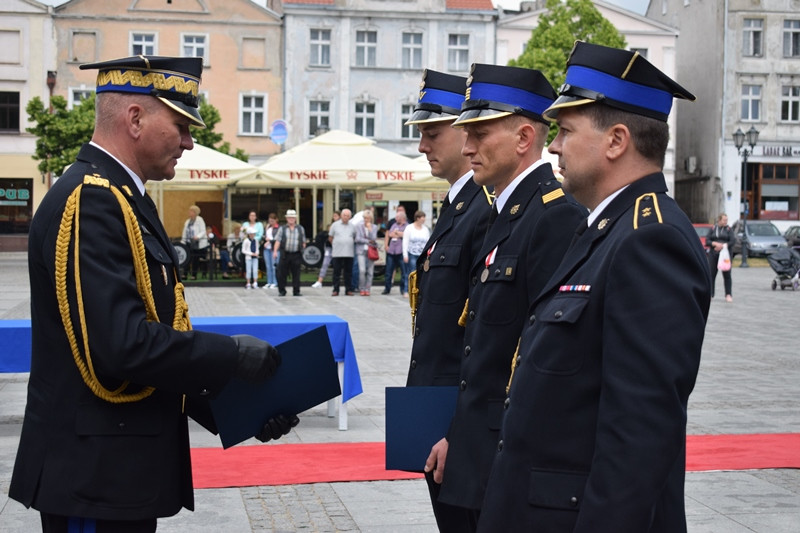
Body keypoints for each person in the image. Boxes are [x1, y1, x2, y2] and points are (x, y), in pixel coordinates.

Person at [9, 55, 298, 533]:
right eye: (181, 124)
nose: (189, 140)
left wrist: (238, 409)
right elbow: (122, 345)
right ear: (136, 118)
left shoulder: (123, 196)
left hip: (113, 471)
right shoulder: (94, 198)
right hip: (94, 476)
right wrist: (230, 356)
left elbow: (153, 343)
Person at [478, 42, 712, 532]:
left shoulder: (650, 240)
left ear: (616, 141)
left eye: (565, 131)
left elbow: (638, 435)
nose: (555, 145)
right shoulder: (604, 229)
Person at [424, 63, 587, 528]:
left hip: (505, 453)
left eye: (479, 131)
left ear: (523, 138)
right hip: (476, 443)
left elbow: (539, 356)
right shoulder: (505, 210)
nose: (467, 145)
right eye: (465, 132)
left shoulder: (552, 216)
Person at [403, 68, 493, 532]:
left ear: (467, 132)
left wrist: (457, 428)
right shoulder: (459, 206)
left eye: (432, 133)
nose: (422, 146)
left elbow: (484, 337)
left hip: (455, 419)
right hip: (433, 412)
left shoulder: (484, 209)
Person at [273, 209, 306, 297]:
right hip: (285, 254)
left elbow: (303, 241)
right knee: (281, 273)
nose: (291, 219)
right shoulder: (282, 229)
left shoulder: (300, 229)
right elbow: (278, 241)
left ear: (295, 219)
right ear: (287, 219)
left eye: (293, 217)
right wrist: (275, 251)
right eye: (289, 217)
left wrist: (302, 249)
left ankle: (296, 291)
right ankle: (282, 291)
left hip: (296, 254)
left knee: (296, 273)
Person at [402, 210, 431, 296]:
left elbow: (428, 242)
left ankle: (420, 289)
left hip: (422, 254)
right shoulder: (409, 228)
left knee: (422, 272)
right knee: (411, 272)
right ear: (418, 218)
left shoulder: (425, 229)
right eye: (422, 217)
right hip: (412, 253)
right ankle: (407, 290)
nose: (424, 219)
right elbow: (405, 241)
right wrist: (405, 254)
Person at [328, 208, 356, 296]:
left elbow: (354, 237)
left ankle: (348, 290)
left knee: (348, 273)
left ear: (350, 217)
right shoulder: (335, 225)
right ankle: (335, 290)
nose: (346, 217)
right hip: (337, 253)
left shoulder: (352, 226)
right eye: (344, 215)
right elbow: (330, 238)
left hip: (349, 253)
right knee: (336, 272)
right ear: (341, 216)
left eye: (348, 216)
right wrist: (338, 244)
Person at [707, 213, 734, 302]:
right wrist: (714, 244)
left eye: (726, 220)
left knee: (727, 275)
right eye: (724, 220)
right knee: (711, 274)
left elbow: (732, 241)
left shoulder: (729, 230)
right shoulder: (713, 229)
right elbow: (707, 241)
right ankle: (710, 294)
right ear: (719, 220)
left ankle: (728, 294)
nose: (726, 221)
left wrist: (722, 246)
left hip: (725, 255)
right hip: (713, 254)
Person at [382, 210, 408, 295]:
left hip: (401, 252)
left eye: (397, 217)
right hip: (391, 251)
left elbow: (406, 235)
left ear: (402, 218)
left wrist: (397, 233)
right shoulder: (394, 224)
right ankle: (387, 288)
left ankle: (403, 289)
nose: (395, 218)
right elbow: (390, 234)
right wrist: (399, 234)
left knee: (403, 272)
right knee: (388, 271)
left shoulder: (407, 226)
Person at [312, 210, 340, 288]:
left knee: (337, 265)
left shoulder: (342, 226)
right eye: (334, 216)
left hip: (338, 248)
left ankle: (335, 282)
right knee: (325, 263)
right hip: (329, 247)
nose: (334, 217)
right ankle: (319, 281)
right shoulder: (331, 225)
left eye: (336, 216)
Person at [354, 209, 379, 295]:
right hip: (361, 250)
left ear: (371, 219)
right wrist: (368, 241)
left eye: (368, 218)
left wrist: (370, 230)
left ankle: (367, 288)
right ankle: (361, 288)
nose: (366, 220)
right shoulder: (358, 226)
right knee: (362, 270)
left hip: (371, 251)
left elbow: (373, 239)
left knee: (370, 271)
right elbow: (357, 239)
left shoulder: (374, 227)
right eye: (365, 218)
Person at [181, 205, 208, 280]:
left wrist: (197, 237)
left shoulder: (200, 220)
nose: (189, 212)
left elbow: (203, 231)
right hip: (188, 242)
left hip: (197, 243)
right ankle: (185, 274)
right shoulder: (187, 221)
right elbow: (185, 231)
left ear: (195, 212)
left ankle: (194, 275)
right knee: (187, 258)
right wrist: (183, 241)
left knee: (195, 259)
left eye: (191, 211)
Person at [263, 212, 280, 289]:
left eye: (272, 221)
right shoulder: (268, 227)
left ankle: (275, 282)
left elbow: (278, 239)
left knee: (274, 266)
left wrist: (270, 241)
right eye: (270, 221)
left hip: (274, 249)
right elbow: (265, 237)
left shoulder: (278, 228)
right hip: (267, 249)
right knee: (268, 266)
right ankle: (269, 282)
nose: (271, 222)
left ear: (276, 220)